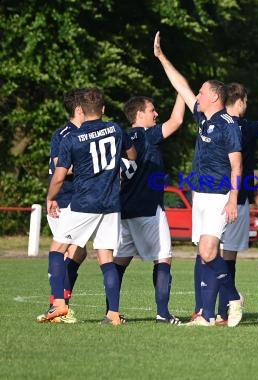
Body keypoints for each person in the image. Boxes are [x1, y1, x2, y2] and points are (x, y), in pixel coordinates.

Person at [153, 31, 244, 327]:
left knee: (207, 251)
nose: (198, 97)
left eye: (203, 93)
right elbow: (182, 87)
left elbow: (237, 165)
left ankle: (232, 298)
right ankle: (205, 314)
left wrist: (233, 199)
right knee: (204, 254)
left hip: (219, 196)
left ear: (214, 97)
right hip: (200, 195)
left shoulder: (229, 125)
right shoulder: (204, 118)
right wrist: (162, 58)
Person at [40, 87, 136, 326]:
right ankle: (113, 313)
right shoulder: (115, 129)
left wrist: (50, 197)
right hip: (111, 203)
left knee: (56, 249)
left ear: (81, 109)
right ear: (103, 109)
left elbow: (59, 176)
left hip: (83, 202)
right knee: (105, 256)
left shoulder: (73, 138)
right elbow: (131, 155)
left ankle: (59, 304)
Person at [112, 94, 185, 325]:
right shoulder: (144, 135)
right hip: (148, 208)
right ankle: (163, 313)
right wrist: (181, 91)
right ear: (139, 114)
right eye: (152, 110)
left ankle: (111, 312)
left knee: (118, 263)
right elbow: (176, 121)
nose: (155, 114)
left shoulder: (120, 137)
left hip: (123, 210)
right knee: (163, 258)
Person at [211, 82, 258, 325]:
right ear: (241, 101)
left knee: (209, 252)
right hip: (238, 196)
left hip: (211, 193)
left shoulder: (211, 122)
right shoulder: (249, 126)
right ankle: (226, 308)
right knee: (228, 255)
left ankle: (210, 310)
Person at [37, 89, 88, 324]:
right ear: (79, 109)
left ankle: (59, 304)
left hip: (76, 201)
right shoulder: (64, 134)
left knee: (77, 251)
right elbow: (62, 167)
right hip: (64, 201)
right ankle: (57, 305)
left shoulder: (85, 133)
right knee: (67, 250)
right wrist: (95, 165)